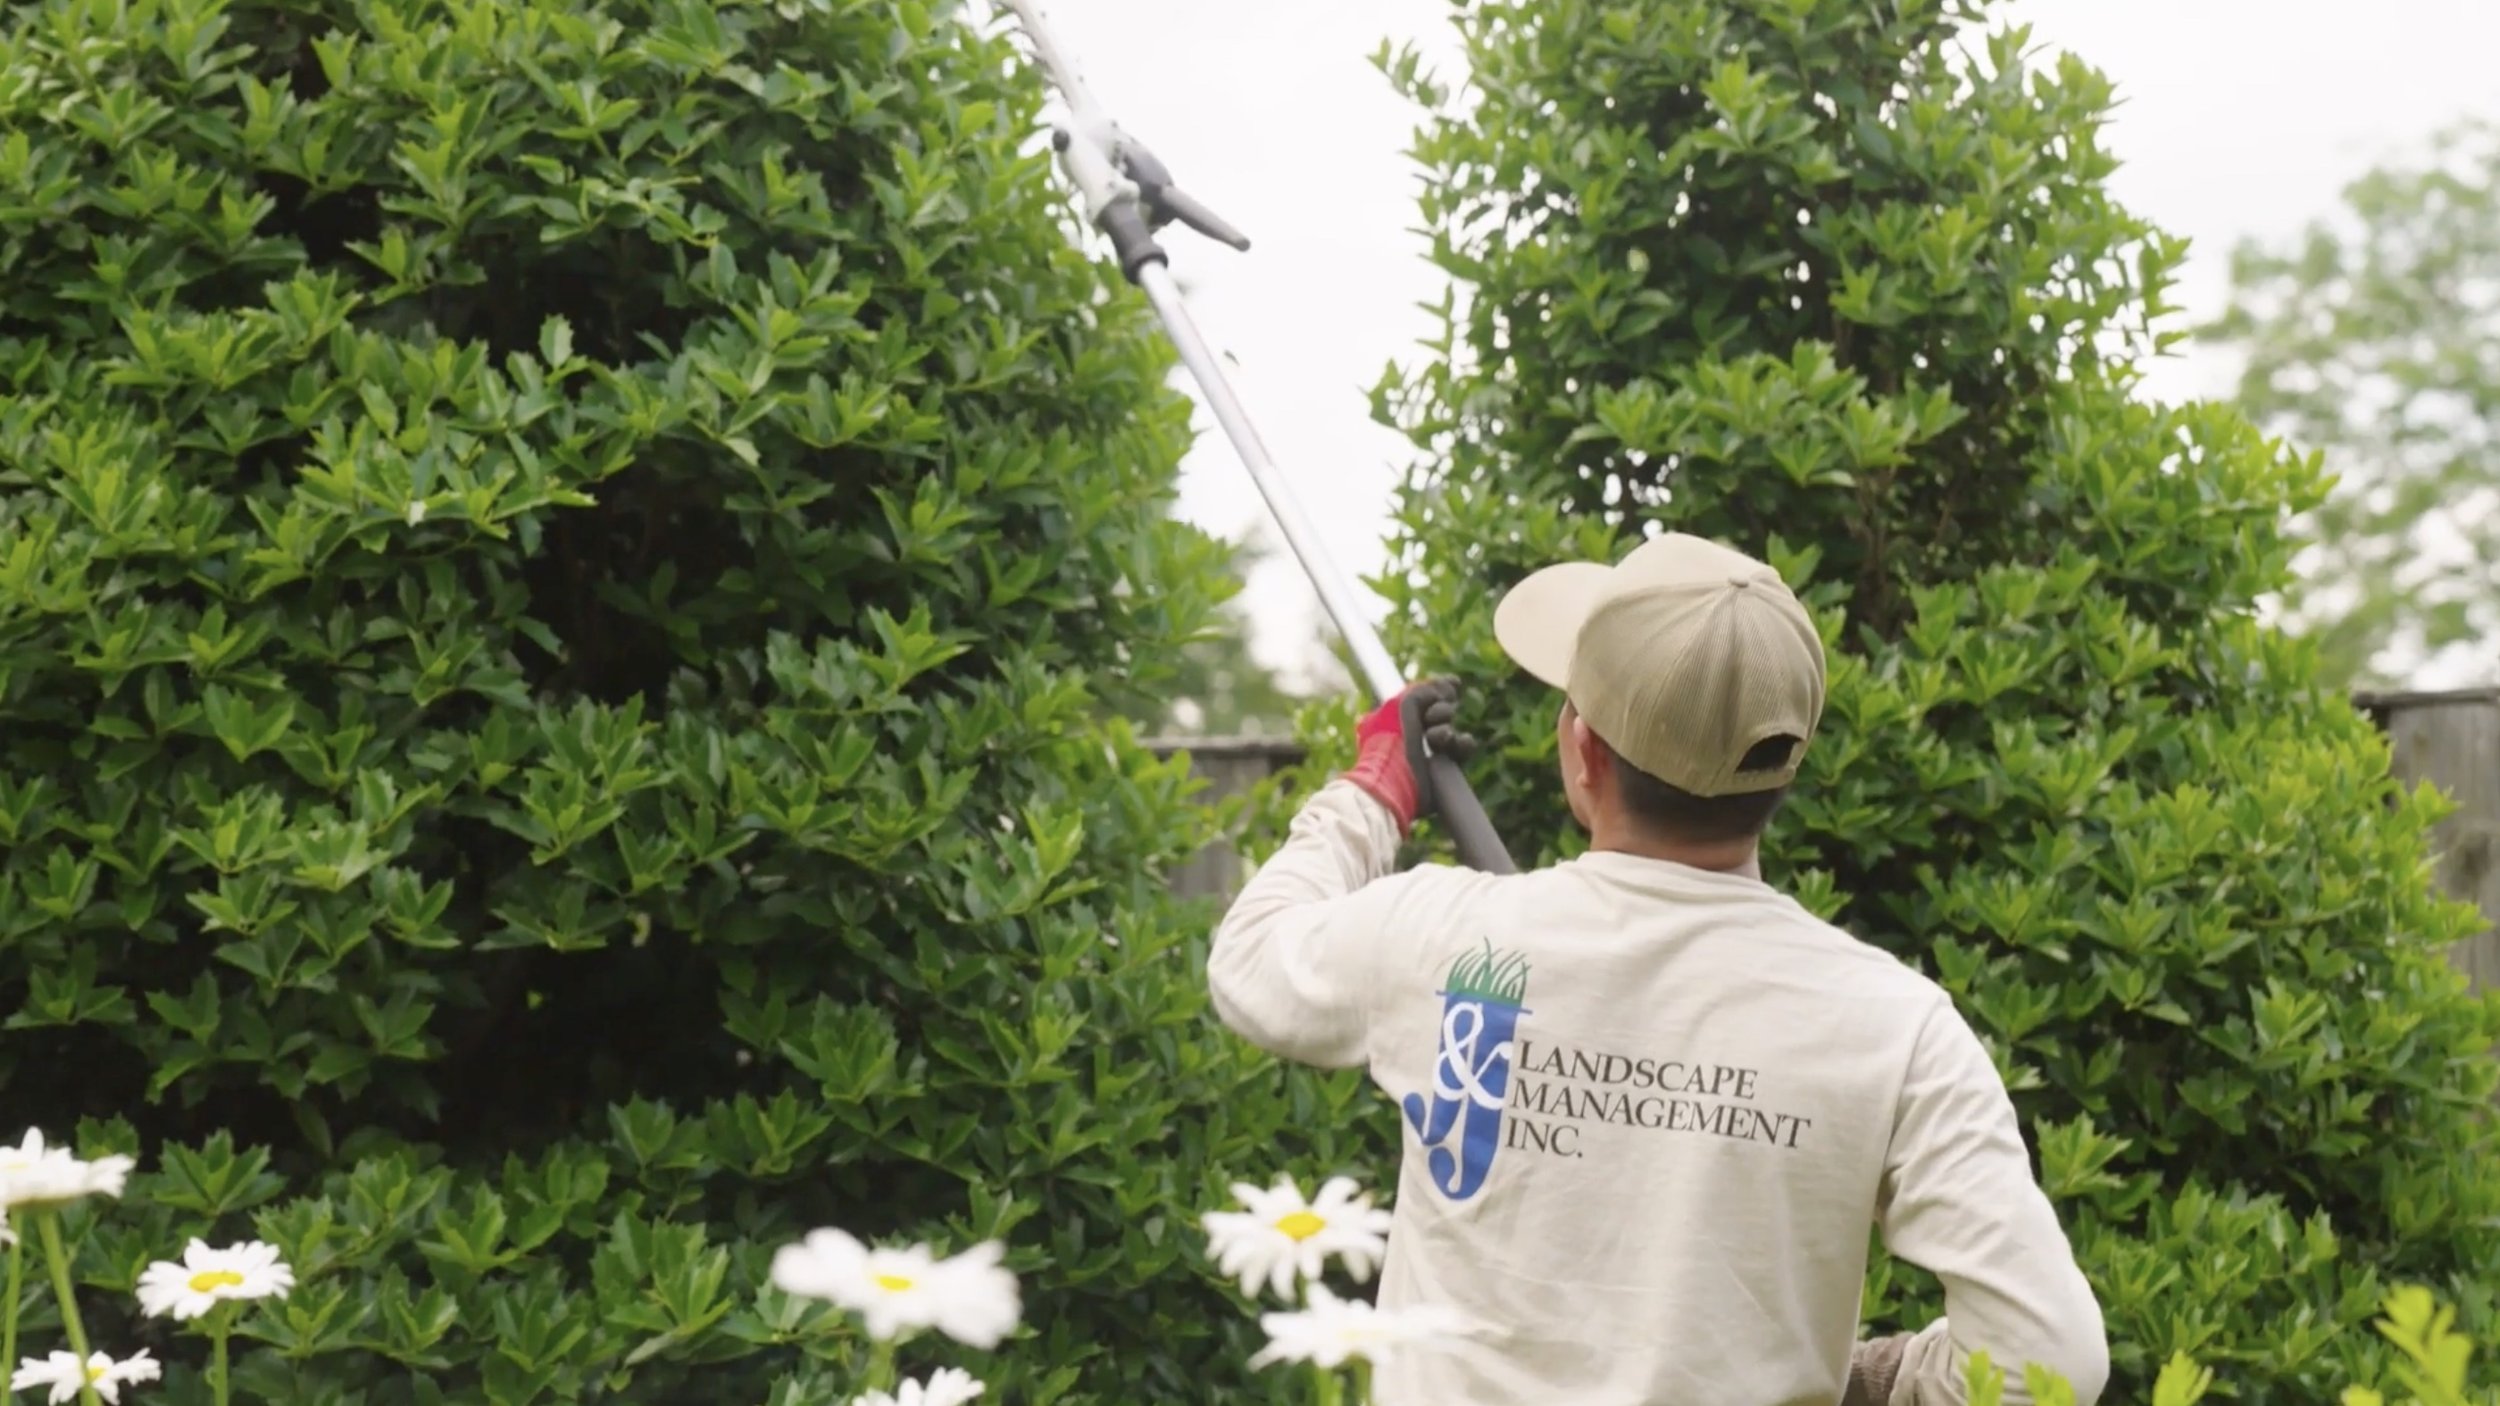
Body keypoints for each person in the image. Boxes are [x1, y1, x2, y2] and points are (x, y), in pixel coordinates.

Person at [1205, 532, 2108, 1406]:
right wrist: (1879, 1383)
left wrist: (1376, 786)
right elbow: (2050, 1360)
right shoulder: (1895, 1026)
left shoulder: (1442, 938)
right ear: (1783, 770)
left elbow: (1251, 962)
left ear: (1584, 750)